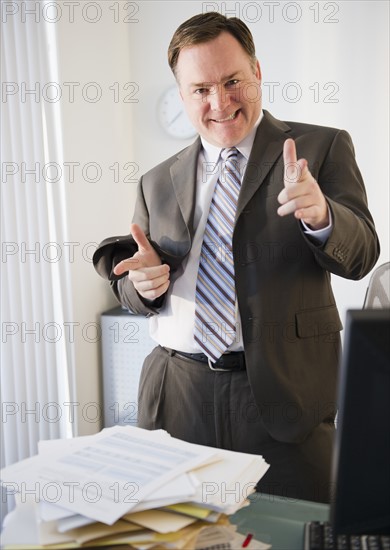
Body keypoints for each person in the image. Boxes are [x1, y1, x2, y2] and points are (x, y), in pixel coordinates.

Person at [93, 12, 380, 503]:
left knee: (292, 532)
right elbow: (138, 274)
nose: (220, 102)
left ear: (258, 73)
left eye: (232, 82)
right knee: (179, 534)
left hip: (284, 398)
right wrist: (140, 288)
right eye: (200, 89)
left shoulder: (320, 147)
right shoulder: (157, 180)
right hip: (178, 397)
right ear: (182, 95)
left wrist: (322, 216)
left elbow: (361, 256)